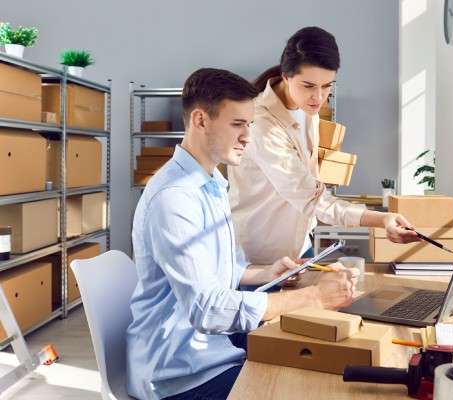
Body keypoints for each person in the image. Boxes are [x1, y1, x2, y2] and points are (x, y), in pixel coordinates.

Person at [126, 68, 359, 400]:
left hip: (210, 350)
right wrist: (313, 297)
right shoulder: (175, 197)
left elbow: (215, 273)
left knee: (320, 363)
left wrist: (264, 273)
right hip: (180, 375)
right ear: (200, 120)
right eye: (237, 124)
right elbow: (207, 308)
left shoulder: (211, 183)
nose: (248, 136)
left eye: (250, 124)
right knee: (302, 387)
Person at [228, 26, 420, 265]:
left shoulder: (308, 109)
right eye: (308, 86)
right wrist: (381, 220)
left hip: (299, 246)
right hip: (260, 257)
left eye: (327, 85)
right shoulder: (262, 124)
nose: (319, 97)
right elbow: (312, 199)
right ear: (286, 77)